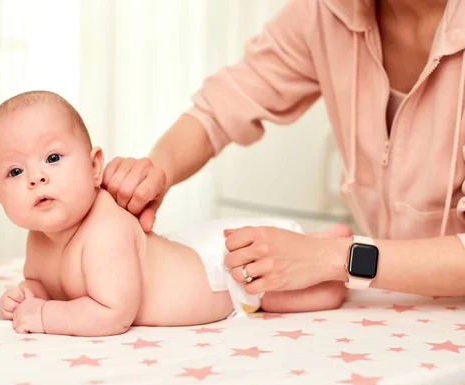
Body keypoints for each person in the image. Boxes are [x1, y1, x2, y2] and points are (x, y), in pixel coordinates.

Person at [102, 0, 465, 297]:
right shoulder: (326, 12)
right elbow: (220, 108)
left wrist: (330, 258)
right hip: (396, 304)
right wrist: (153, 173)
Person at [0, 91, 346, 336]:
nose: (36, 177)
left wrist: (45, 317)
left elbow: (113, 313)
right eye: (15, 172)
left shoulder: (104, 229)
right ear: (0, 198)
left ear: (96, 167)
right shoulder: (39, 237)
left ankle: (329, 250)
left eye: (52, 158)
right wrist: (27, 296)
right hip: (183, 254)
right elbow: (45, 284)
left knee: (299, 294)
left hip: (220, 276)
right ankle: (318, 242)